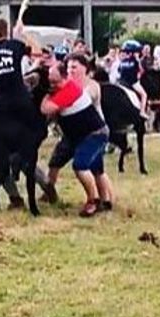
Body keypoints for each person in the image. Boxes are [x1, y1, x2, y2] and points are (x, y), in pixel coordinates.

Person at [41, 60, 113, 217]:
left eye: (55, 82)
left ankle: (93, 201)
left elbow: (46, 109)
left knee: (81, 166)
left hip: (94, 135)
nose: (52, 85)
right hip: (76, 135)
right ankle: (105, 201)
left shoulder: (69, 90)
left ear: (65, 78)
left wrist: (46, 95)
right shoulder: (64, 89)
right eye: (50, 82)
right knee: (59, 163)